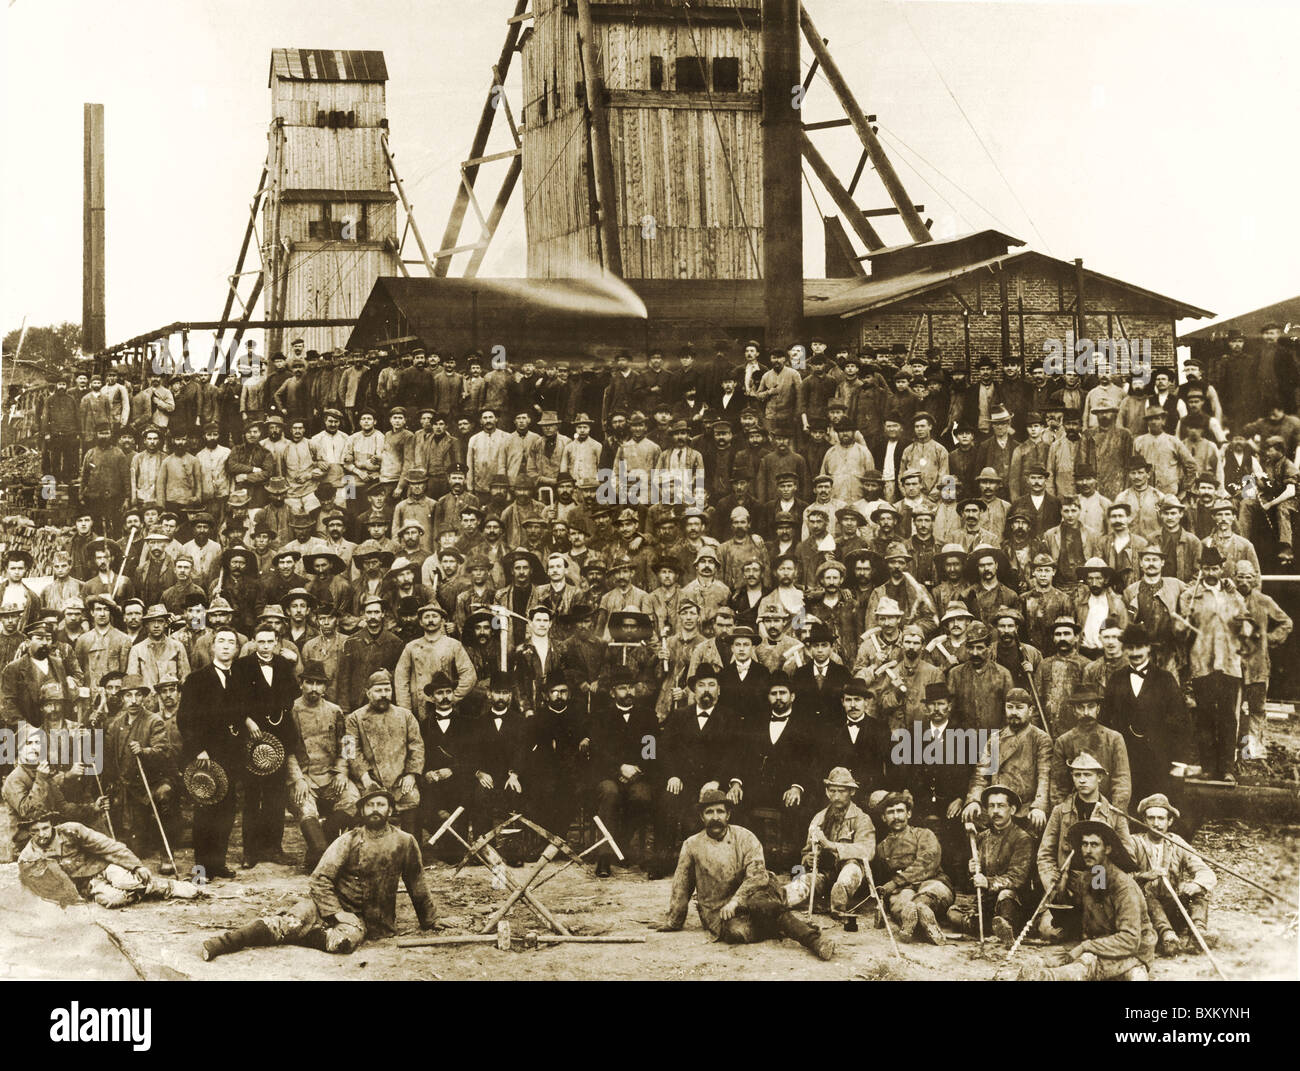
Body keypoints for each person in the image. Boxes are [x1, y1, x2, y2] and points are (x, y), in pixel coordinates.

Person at [200, 786, 439, 960]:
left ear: (390, 809)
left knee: (343, 943)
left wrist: (430, 920)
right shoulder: (349, 839)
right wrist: (336, 912)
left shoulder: (405, 841)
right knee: (285, 923)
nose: (375, 809)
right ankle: (220, 944)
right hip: (324, 906)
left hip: (367, 919)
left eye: (381, 804)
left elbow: (416, 880)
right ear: (362, 810)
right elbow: (320, 879)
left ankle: (301, 934)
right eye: (370, 805)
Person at [657, 787, 836, 961]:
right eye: (709, 812)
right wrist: (674, 921)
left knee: (762, 904)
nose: (715, 817)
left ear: (728, 815)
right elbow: (682, 885)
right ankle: (785, 924)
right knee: (737, 932)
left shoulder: (745, 837)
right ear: (701, 817)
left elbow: (758, 876)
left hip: (755, 895)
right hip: (719, 911)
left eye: (720, 811)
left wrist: (736, 901)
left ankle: (814, 940)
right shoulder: (691, 845)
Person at [1010, 820, 1155, 981]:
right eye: (1084, 844)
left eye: (1094, 845)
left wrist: (1086, 947)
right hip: (1099, 945)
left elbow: (1130, 939)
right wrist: (1062, 886)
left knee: (1086, 963)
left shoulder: (1124, 887)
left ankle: (1046, 978)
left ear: (1107, 849)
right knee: (1051, 959)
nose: (1087, 850)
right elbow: (1077, 916)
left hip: (1132, 952)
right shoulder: (1090, 877)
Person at [19, 809, 201, 908]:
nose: (41, 834)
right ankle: (144, 889)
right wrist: (72, 899)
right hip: (87, 885)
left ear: (52, 824)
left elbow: (107, 846)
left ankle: (168, 887)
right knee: (112, 900)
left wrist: (136, 866)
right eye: (35, 831)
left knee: (125, 882)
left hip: (103, 867)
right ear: (28, 832)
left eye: (45, 828)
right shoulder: (29, 858)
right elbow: (46, 887)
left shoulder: (71, 830)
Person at [287, 660, 358, 870]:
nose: (314, 689)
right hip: (303, 777)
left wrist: (342, 772)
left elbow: (347, 744)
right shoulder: (291, 709)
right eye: (309, 683)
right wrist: (298, 780)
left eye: (319, 684)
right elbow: (286, 750)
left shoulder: (335, 711)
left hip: (331, 775)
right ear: (301, 684)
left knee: (354, 799)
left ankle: (323, 838)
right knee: (305, 807)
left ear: (325, 687)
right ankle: (319, 850)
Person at [947, 784, 1034, 946]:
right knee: (953, 914)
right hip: (986, 901)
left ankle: (1006, 926)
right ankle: (994, 928)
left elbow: (1018, 878)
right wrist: (972, 870)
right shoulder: (981, 837)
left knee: (1006, 896)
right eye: (991, 806)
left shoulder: (1022, 838)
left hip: (1013, 901)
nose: (995, 811)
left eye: (1001, 806)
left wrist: (987, 882)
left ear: (1012, 810)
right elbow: (972, 883)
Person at [1131, 793, 1216, 956]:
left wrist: (1195, 885)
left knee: (1200, 892)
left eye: (1161, 819)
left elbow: (1206, 872)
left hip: (1172, 907)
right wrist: (1144, 876)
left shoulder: (1176, 842)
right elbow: (1121, 877)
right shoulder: (1134, 842)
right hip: (1145, 912)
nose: (1156, 824)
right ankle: (1167, 937)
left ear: (1169, 821)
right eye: (1151, 818)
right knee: (1146, 895)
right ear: (1144, 820)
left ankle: (1198, 934)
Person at [784, 766, 876, 914]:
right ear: (827, 792)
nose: (837, 796)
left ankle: (838, 908)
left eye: (842, 791)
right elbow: (806, 852)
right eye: (833, 791)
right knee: (800, 885)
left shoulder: (862, 819)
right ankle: (776, 901)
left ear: (851, 792)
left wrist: (831, 846)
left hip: (851, 879)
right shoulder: (819, 818)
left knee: (852, 868)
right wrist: (808, 859)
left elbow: (867, 850)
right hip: (823, 875)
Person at [875, 789, 953, 945]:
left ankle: (922, 917)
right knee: (902, 905)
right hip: (904, 890)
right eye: (890, 812)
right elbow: (882, 880)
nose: (896, 817)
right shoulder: (881, 848)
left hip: (932, 881)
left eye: (900, 811)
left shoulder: (924, 834)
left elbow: (927, 862)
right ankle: (922, 927)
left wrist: (896, 881)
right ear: (883, 817)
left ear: (908, 814)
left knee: (925, 899)